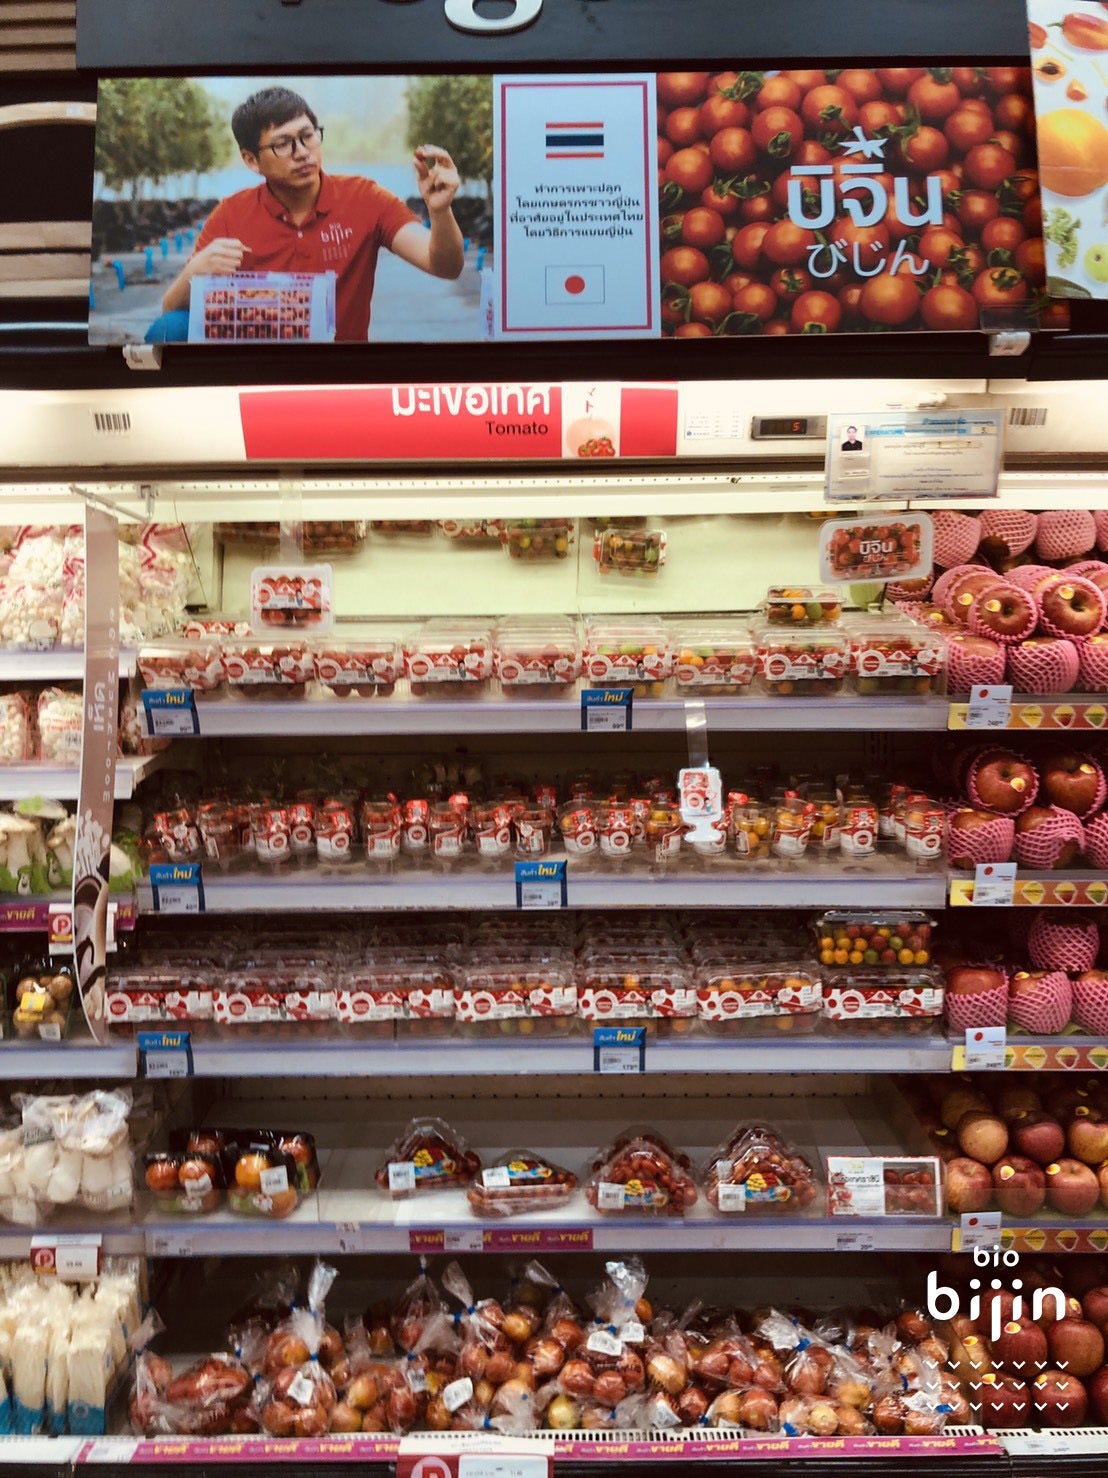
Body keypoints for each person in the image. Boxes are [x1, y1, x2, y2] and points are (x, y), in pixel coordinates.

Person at [149, 85, 464, 343]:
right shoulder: (231, 215)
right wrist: (195, 271)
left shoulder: (364, 197)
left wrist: (440, 211)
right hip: (257, 369)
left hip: (338, 372)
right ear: (251, 160)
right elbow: (168, 311)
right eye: (283, 144)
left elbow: (445, 266)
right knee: (171, 327)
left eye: (307, 135)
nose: (302, 152)